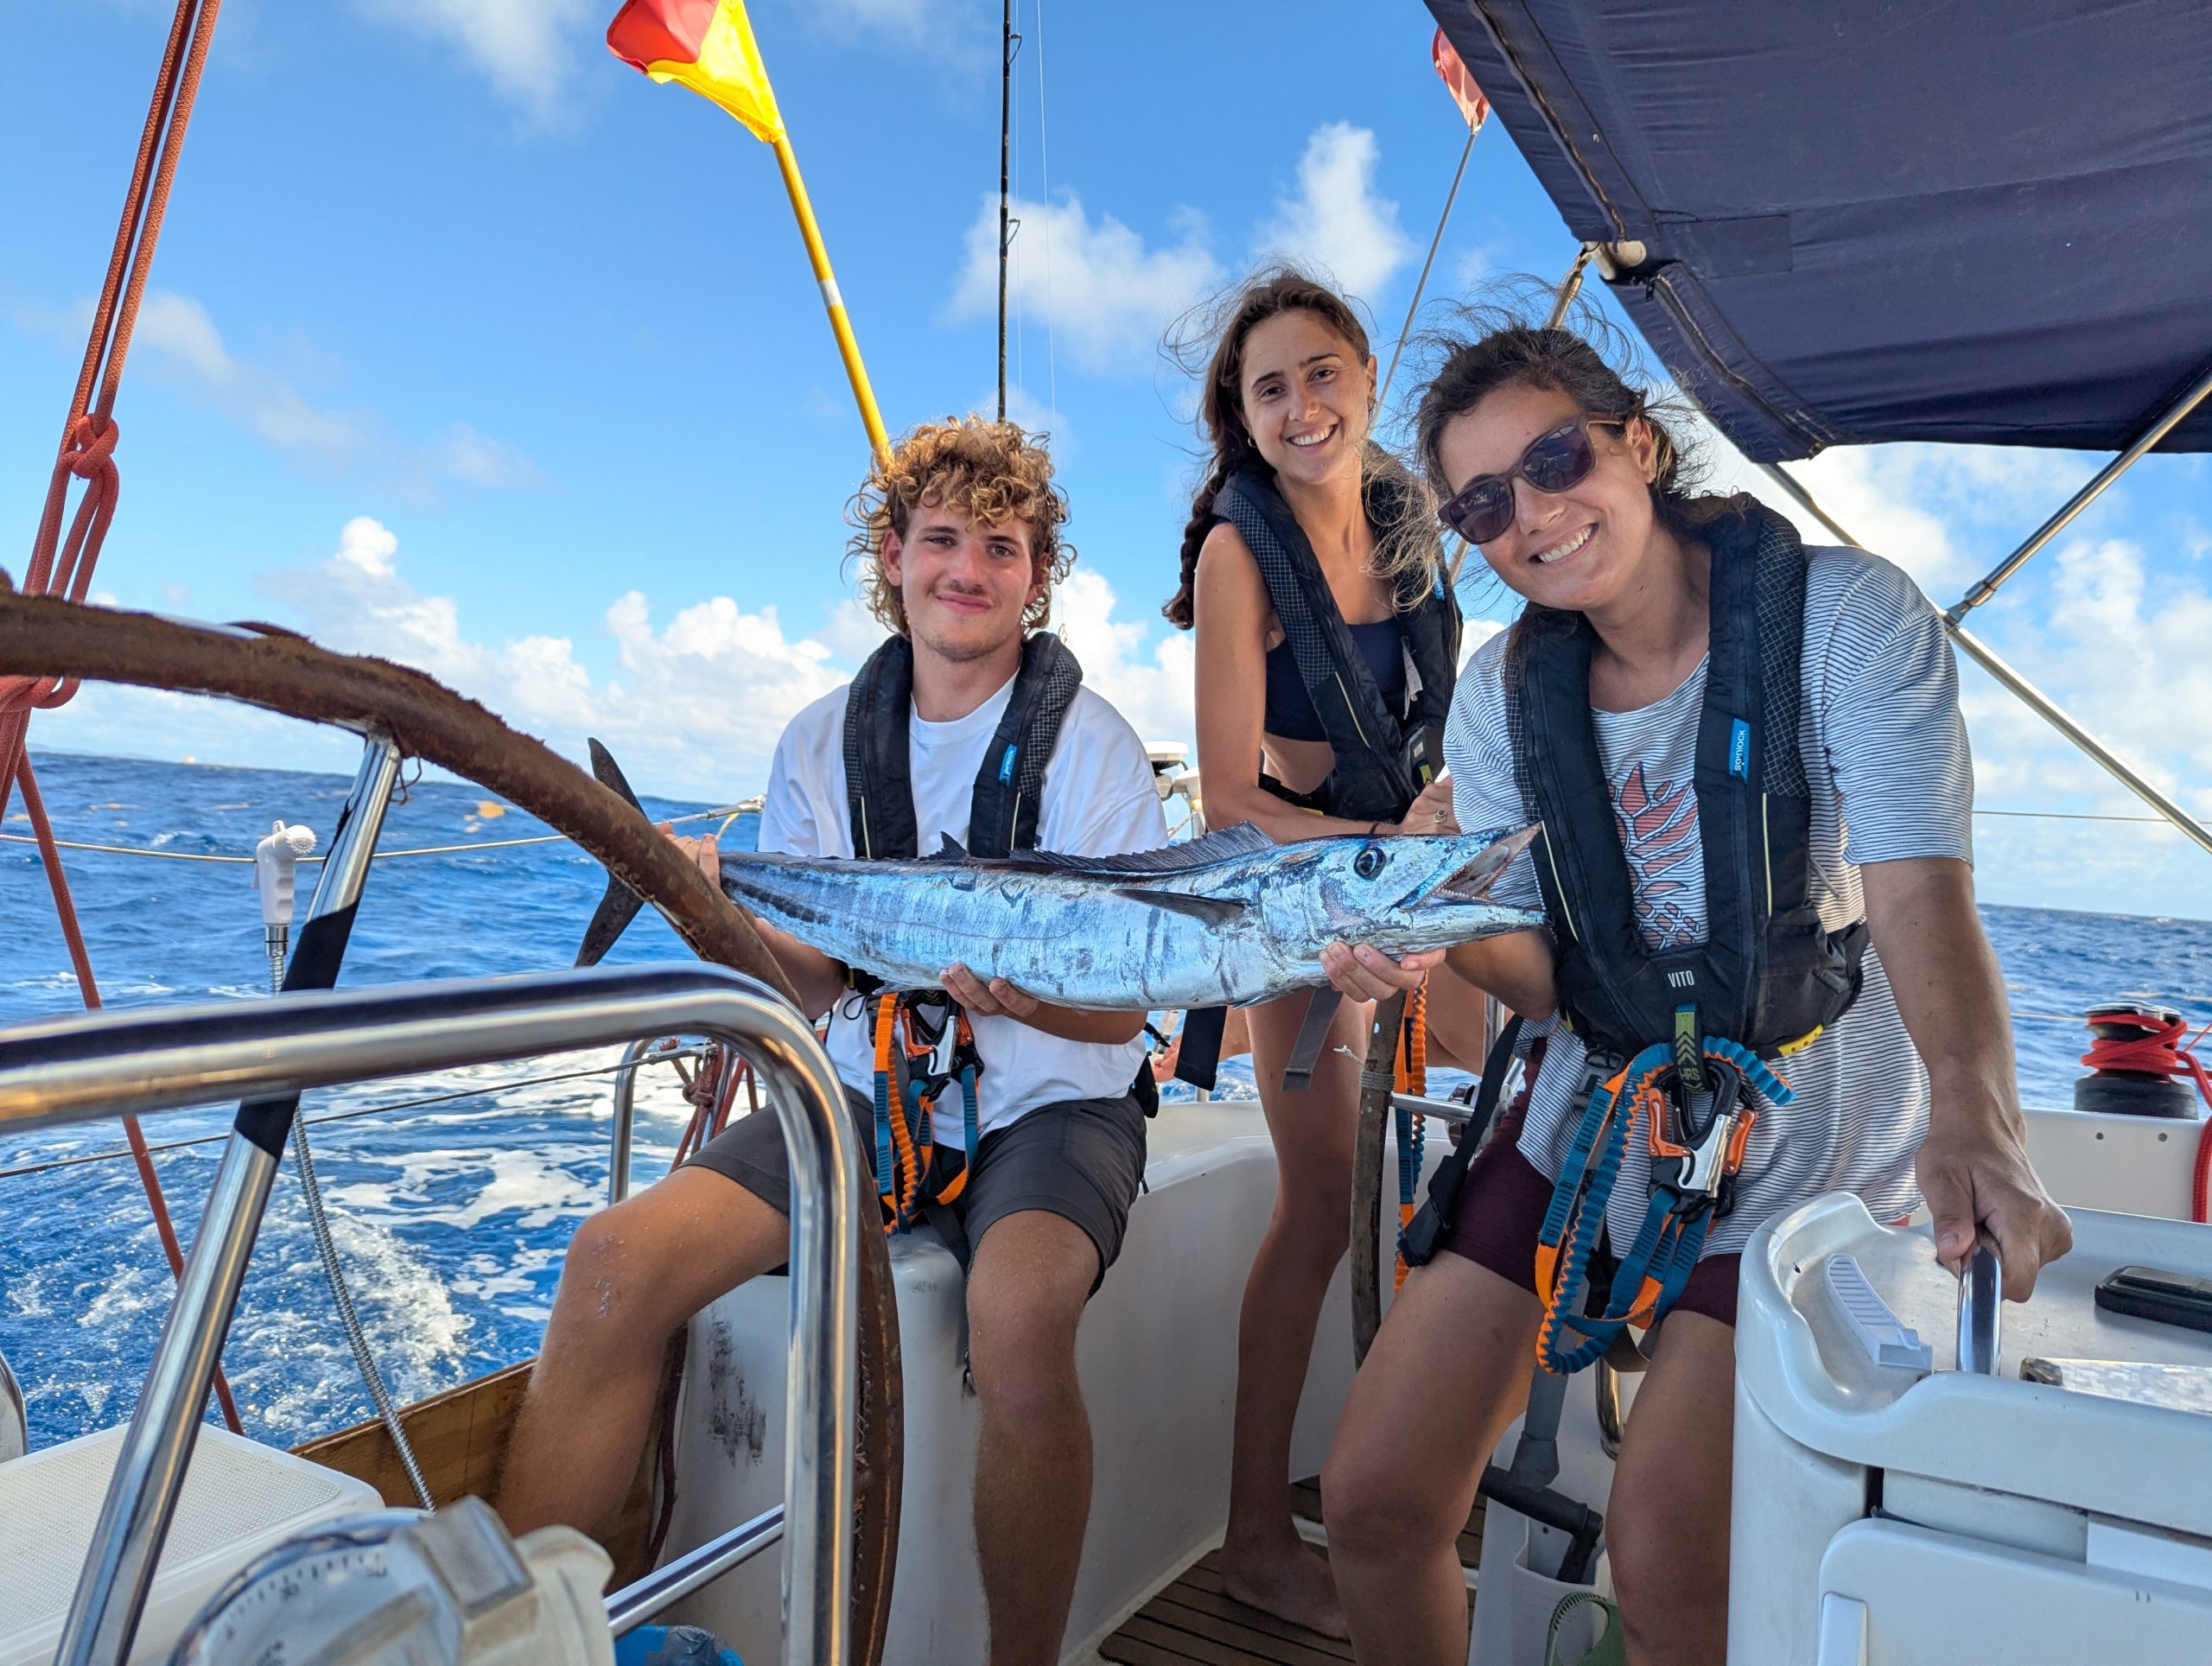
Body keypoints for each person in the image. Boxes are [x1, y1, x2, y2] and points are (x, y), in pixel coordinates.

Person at [1313, 316, 2074, 1665]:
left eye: (1557, 460)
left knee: (1667, 1556)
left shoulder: (1844, 620)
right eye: (1483, 504)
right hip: (1593, 1109)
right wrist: (1432, 936)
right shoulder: (1501, 698)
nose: (1533, 515)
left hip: (1811, 1129)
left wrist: (1977, 1110)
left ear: (1640, 445)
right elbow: (1538, 975)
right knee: (1372, 1499)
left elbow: (1920, 897)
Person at [499, 416, 1169, 1666]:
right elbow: (806, 981)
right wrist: (703, 909)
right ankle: (521, 1644)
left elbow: (1124, 1011)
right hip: (863, 1092)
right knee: (609, 1263)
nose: (968, 569)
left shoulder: (1096, 747)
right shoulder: (819, 739)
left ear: (1038, 576)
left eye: (1003, 547)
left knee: (1020, 1320)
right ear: (894, 557)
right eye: (943, 539)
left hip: (1058, 1095)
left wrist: (1023, 1001)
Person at [1160, 269, 1462, 1637]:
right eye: (1270, 388)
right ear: (1244, 413)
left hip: (1415, 869)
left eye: (1322, 373)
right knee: (1325, 1190)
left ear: (1368, 379)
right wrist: (1385, 846)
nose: (1303, 408)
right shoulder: (1241, 554)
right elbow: (1230, 800)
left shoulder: (1412, 521)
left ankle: (1423, 1468)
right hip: (1295, 887)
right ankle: (1253, 1535)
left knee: (1535, 1082)